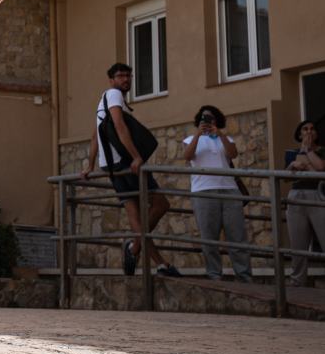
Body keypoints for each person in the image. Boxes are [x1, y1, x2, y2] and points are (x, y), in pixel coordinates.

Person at [79, 63, 180, 278]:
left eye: (128, 75)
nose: (126, 79)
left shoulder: (104, 100)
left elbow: (95, 135)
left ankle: (157, 262)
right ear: (111, 80)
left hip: (111, 166)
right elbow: (119, 126)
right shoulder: (114, 95)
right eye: (120, 76)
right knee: (161, 204)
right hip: (124, 163)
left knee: (135, 215)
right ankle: (135, 248)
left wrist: (90, 165)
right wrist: (136, 156)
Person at [182, 104, 249, 282]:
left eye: (210, 118)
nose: (207, 121)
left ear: (217, 120)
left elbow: (233, 154)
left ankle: (243, 275)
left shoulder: (225, 138)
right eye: (203, 118)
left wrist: (219, 134)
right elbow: (187, 156)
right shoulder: (191, 139)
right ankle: (214, 275)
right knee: (209, 237)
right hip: (203, 191)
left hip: (229, 189)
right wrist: (198, 134)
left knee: (237, 235)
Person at [282, 119, 325, 287]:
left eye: (312, 129)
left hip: (318, 194)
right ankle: (298, 280)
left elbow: (321, 168)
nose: (309, 132)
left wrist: (308, 151)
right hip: (296, 195)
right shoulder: (291, 153)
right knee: (298, 243)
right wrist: (292, 164)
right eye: (305, 129)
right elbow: (286, 177)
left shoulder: (324, 151)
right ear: (299, 134)